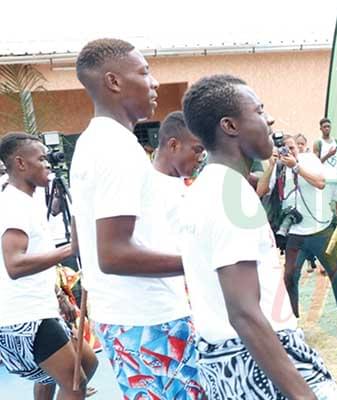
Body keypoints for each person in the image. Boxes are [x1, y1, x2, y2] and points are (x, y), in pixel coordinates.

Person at [180, 74, 337, 399]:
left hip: (227, 361)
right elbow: (244, 311)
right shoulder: (230, 196)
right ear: (230, 126)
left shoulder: (207, 188)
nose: (269, 119)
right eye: (258, 110)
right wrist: (302, 394)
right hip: (260, 355)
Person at [69, 38, 202, 397]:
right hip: (149, 319)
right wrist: (199, 262)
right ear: (113, 82)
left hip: (131, 317)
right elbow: (113, 254)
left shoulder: (95, 142)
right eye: (145, 72)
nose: (154, 82)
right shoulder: (115, 148)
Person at [0, 133, 98, 400]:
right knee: (75, 380)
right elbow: (14, 264)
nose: (49, 163)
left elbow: (34, 255)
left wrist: (58, 296)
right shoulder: (14, 204)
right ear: (20, 163)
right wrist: (71, 249)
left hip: (40, 309)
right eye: (41, 158)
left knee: (86, 362)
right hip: (23, 316)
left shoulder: (27, 202)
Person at [271, 134, 337, 327]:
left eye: (292, 148)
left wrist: (295, 166)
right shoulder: (278, 167)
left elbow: (320, 183)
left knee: (335, 272)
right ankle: (292, 320)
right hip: (295, 234)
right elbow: (264, 190)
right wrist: (272, 165)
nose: (288, 151)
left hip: (321, 230)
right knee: (289, 276)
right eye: (284, 149)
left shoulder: (310, 160)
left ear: (299, 148)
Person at [314, 118, 337, 220]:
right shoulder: (318, 142)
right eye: (324, 127)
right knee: (326, 205)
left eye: (328, 126)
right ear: (320, 128)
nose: (327, 129)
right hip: (326, 180)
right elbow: (316, 162)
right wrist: (328, 154)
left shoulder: (335, 141)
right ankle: (328, 226)